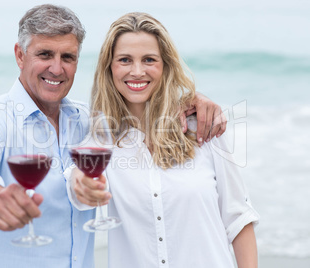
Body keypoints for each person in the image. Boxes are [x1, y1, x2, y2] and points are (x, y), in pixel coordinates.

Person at [0, 5, 226, 268]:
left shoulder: (91, 123)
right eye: (45, 54)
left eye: (67, 57)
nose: (57, 69)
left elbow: (139, 113)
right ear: (20, 55)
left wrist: (193, 100)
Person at [67, 12, 260, 268]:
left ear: (165, 65)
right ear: (109, 68)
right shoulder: (102, 140)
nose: (137, 71)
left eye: (149, 60)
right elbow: (76, 182)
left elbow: (238, 219)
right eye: (125, 60)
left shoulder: (203, 128)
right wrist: (77, 182)